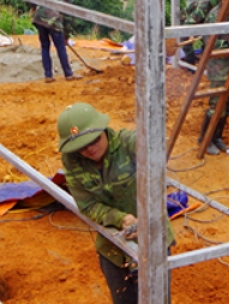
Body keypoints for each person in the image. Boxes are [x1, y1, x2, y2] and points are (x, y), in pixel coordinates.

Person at [58, 102, 173, 304]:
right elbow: (87, 205)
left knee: (157, 299)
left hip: (152, 240)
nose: (90, 149)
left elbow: (152, 148)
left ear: (103, 130)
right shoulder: (72, 162)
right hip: (113, 246)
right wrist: (120, 219)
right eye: (81, 147)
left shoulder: (128, 144)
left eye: (93, 140)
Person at [180, 0, 229, 155]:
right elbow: (210, 41)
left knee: (228, 104)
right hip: (218, 66)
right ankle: (205, 140)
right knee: (216, 104)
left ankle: (217, 137)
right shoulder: (214, 15)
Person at [29, 0, 78, 82]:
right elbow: (69, 20)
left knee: (45, 47)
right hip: (54, 22)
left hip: (39, 19)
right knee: (60, 48)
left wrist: (33, 7)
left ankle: (48, 76)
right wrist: (66, 36)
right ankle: (68, 74)